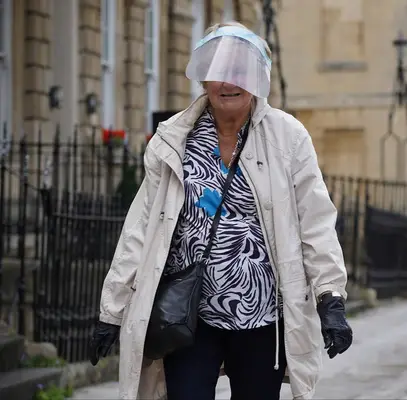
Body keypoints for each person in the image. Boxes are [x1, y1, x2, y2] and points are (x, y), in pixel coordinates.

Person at [87, 21, 352, 400]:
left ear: (258, 78)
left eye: (240, 70)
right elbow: (141, 227)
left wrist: (331, 298)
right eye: (218, 71)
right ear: (203, 77)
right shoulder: (175, 138)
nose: (228, 82)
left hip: (264, 318)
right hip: (190, 315)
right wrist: (111, 310)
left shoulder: (288, 137)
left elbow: (316, 222)